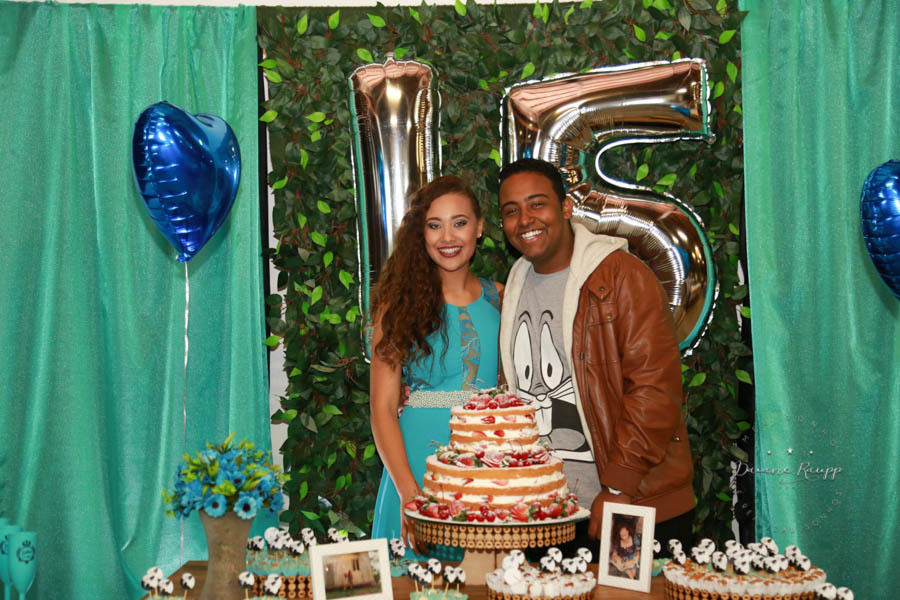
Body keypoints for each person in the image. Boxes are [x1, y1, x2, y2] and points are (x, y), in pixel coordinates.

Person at [497, 158, 695, 558]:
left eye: (537, 204)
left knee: (632, 592)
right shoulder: (515, 284)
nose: (525, 219)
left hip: (629, 503)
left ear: (566, 207)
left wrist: (618, 487)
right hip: (547, 513)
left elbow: (655, 388)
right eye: (511, 210)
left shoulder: (621, 275)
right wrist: (418, 397)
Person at [370, 176, 503, 556]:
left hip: (490, 466)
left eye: (459, 223)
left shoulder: (504, 298)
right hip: (416, 463)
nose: (448, 237)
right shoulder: (397, 308)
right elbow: (382, 409)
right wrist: (408, 493)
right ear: (421, 234)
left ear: (479, 227)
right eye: (434, 225)